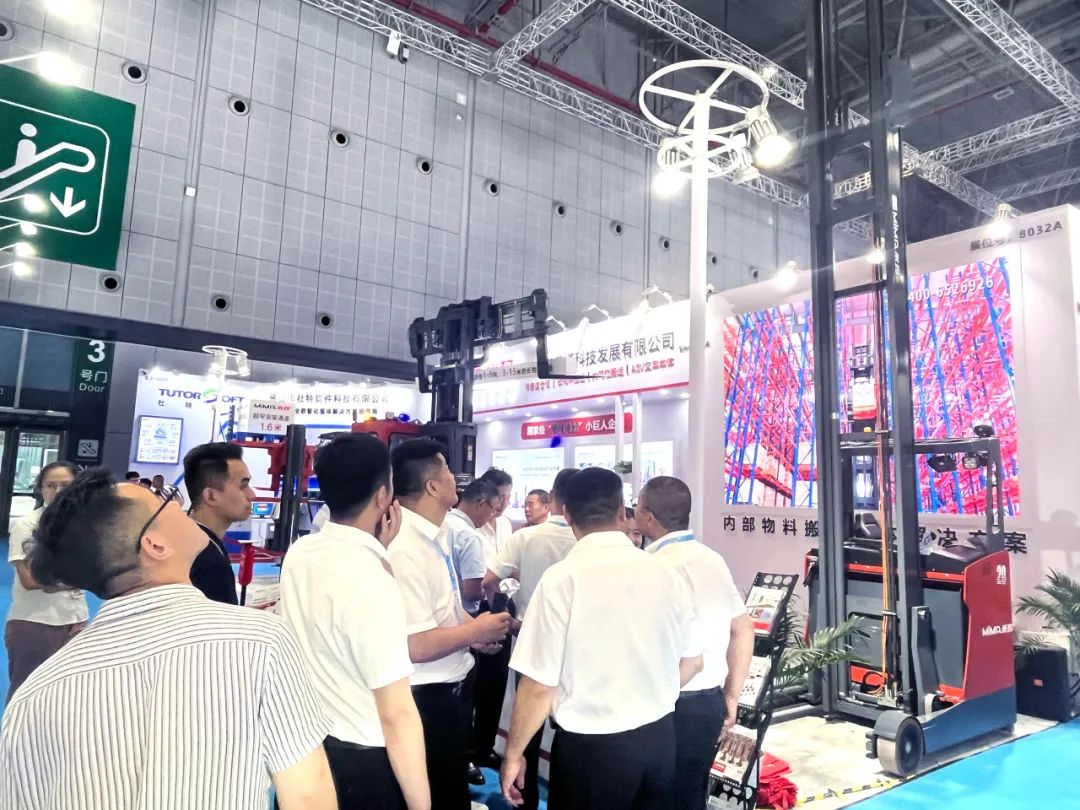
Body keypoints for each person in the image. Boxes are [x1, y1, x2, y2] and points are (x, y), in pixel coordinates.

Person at [0, 469, 336, 810]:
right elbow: (308, 795)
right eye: (162, 503)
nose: (177, 504)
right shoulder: (261, 643)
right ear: (155, 545)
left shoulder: (34, 695)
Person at [501, 467, 703, 810]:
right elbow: (694, 661)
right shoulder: (665, 571)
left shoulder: (562, 579)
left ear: (567, 513)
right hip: (659, 739)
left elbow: (538, 685)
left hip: (593, 751)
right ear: (622, 511)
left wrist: (514, 754)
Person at [278, 433, 430, 810]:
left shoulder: (301, 551)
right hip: (361, 762)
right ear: (383, 496)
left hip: (304, 749)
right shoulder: (371, 577)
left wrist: (380, 551)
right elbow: (396, 713)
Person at [389, 440, 513, 810]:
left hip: (448, 691)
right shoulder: (404, 546)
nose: (453, 476)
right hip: (425, 697)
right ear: (431, 486)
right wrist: (474, 632)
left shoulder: (436, 533)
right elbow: (414, 644)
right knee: (436, 792)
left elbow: (445, 608)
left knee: (449, 789)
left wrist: (473, 633)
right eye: (445, 469)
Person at [636, 476, 754, 810]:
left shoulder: (649, 565)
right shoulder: (712, 559)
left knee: (651, 799)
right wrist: (732, 695)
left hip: (662, 705)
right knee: (690, 794)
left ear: (648, 517)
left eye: (638, 507)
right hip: (707, 705)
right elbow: (743, 629)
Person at [482, 467, 578, 810]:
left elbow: (489, 580)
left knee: (528, 725)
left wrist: (501, 612)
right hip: (578, 646)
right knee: (571, 725)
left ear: (552, 499)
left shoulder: (526, 537)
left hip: (529, 637)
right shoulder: (583, 541)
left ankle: (525, 797)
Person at [4, 461, 86, 701]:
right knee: (26, 695)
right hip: (35, 623)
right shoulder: (27, 526)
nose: (58, 492)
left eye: (65, 485)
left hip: (77, 621)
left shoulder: (85, 527)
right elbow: (31, 580)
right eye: (50, 485)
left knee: (67, 695)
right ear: (41, 489)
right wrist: (77, 578)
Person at [183, 442, 255, 605]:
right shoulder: (208, 564)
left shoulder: (188, 541)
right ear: (210, 496)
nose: (252, 495)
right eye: (243, 486)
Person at [443, 479, 501, 617]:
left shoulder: (441, 521)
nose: (491, 516)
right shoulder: (469, 536)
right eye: (493, 511)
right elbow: (472, 592)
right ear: (481, 504)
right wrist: (492, 583)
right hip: (464, 615)